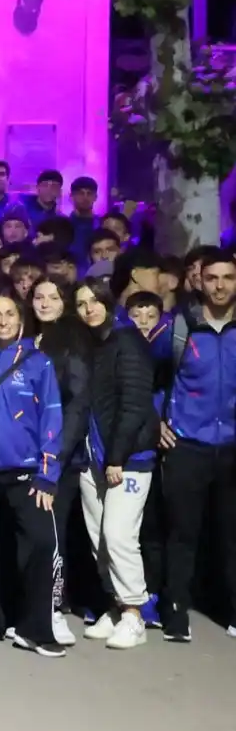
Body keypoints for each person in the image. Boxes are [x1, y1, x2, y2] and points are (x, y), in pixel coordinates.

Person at [0, 290, 66, 657]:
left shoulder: (38, 362)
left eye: (10, 313)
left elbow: (53, 418)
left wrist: (47, 472)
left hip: (26, 472)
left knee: (40, 545)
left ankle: (36, 627)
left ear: (21, 318)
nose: (3, 321)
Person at [155, 248, 236, 642]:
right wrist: (156, 422)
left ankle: (231, 608)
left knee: (230, 534)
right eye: (213, 278)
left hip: (232, 447)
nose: (220, 286)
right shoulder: (180, 327)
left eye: (228, 278)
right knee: (183, 533)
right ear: (199, 281)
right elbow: (148, 377)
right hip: (189, 444)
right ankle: (176, 612)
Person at [72, 279, 157, 649]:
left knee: (119, 536)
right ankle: (117, 605)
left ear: (108, 303)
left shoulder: (127, 341)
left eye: (95, 301)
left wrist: (117, 456)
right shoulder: (91, 345)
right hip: (92, 458)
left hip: (127, 459)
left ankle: (135, 614)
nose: (89, 308)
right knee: (99, 540)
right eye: (81, 303)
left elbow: (135, 403)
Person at [29, 274, 92, 646]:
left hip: (58, 456)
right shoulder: (25, 339)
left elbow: (78, 404)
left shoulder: (72, 339)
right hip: (23, 451)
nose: (45, 303)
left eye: (53, 297)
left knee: (54, 536)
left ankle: (55, 607)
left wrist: (56, 456)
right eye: (39, 296)